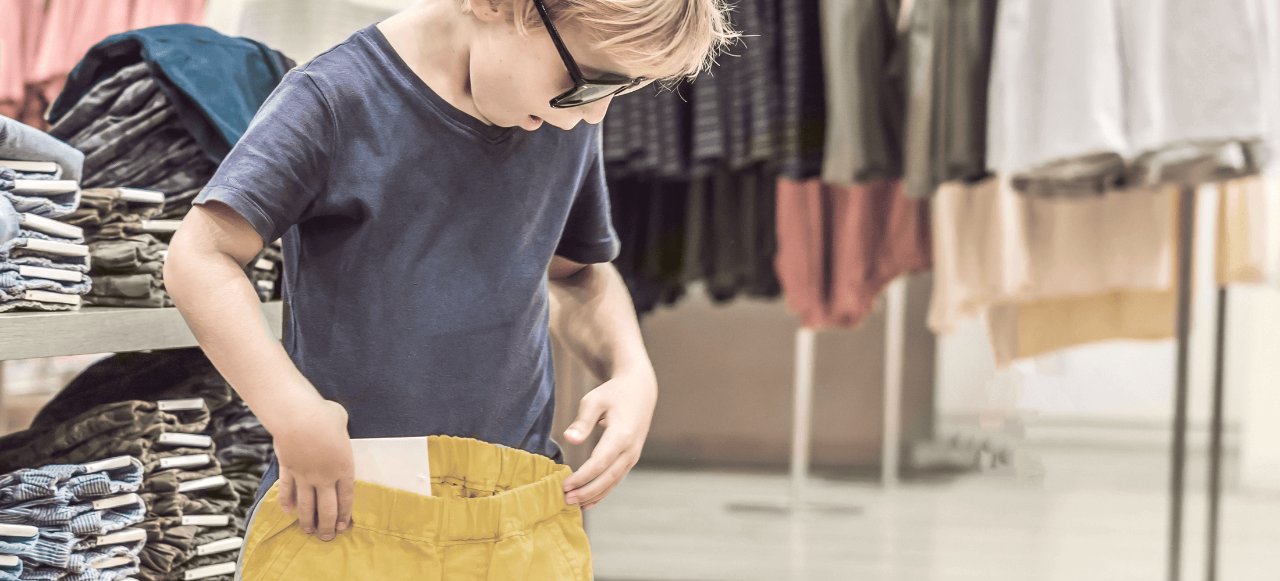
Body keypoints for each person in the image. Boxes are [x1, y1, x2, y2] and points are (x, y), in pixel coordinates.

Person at [166, 0, 733, 551]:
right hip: (350, 508)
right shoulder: (336, 100)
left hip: (516, 504)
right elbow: (201, 256)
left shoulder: (561, 114)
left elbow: (578, 272)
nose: (594, 112)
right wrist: (290, 412)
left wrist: (630, 369)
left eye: (619, 87)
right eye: (587, 79)